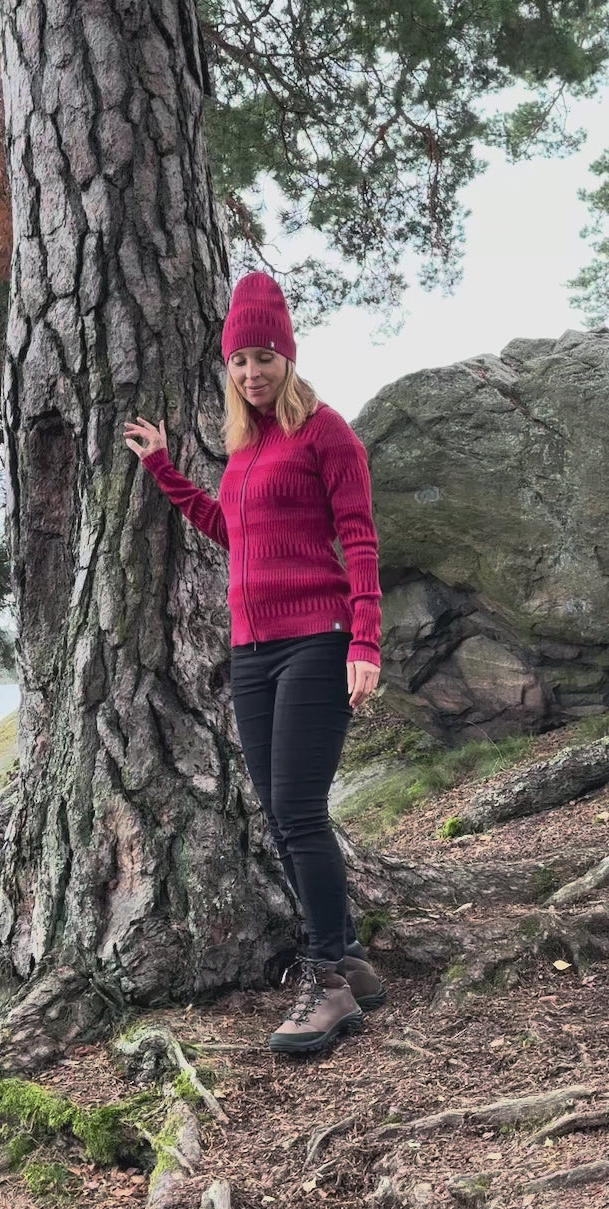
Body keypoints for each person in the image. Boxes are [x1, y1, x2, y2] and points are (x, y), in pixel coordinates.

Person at [123, 271, 385, 1055]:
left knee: (299, 814)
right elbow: (231, 532)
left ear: (287, 356)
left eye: (263, 357)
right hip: (252, 652)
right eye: (238, 360)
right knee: (279, 815)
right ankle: (349, 961)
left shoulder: (327, 434)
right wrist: (165, 470)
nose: (250, 372)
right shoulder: (245, 448)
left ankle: (328, 983)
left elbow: (360, 539)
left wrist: (365, 641)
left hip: (317, 641)